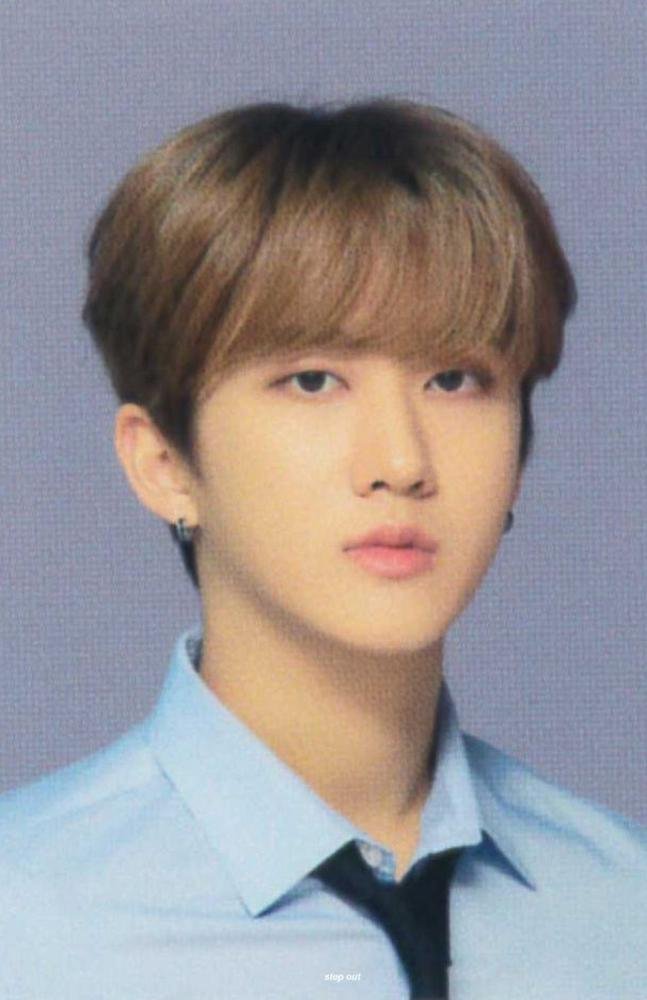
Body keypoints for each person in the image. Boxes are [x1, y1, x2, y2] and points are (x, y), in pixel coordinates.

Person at [0, 98, 645, 1000]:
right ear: (163, 463)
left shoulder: (622, 906)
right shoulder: (26, 919)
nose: (400, 462)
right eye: (311, 380)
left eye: (454, 380)